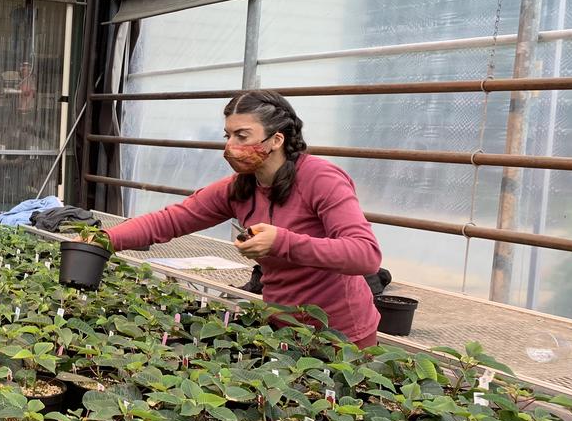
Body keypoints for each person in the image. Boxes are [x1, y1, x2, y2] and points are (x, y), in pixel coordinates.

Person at [106, 90, 382, 347]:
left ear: (276, 139)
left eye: (242, 136)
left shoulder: (320, 178)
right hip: (280, 328)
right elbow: (171, 220)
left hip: (341, 335)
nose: (230, 146)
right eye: (228, 135)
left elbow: (365, 254)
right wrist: (104, 240)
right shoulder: (240, 187)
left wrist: (282, 242)